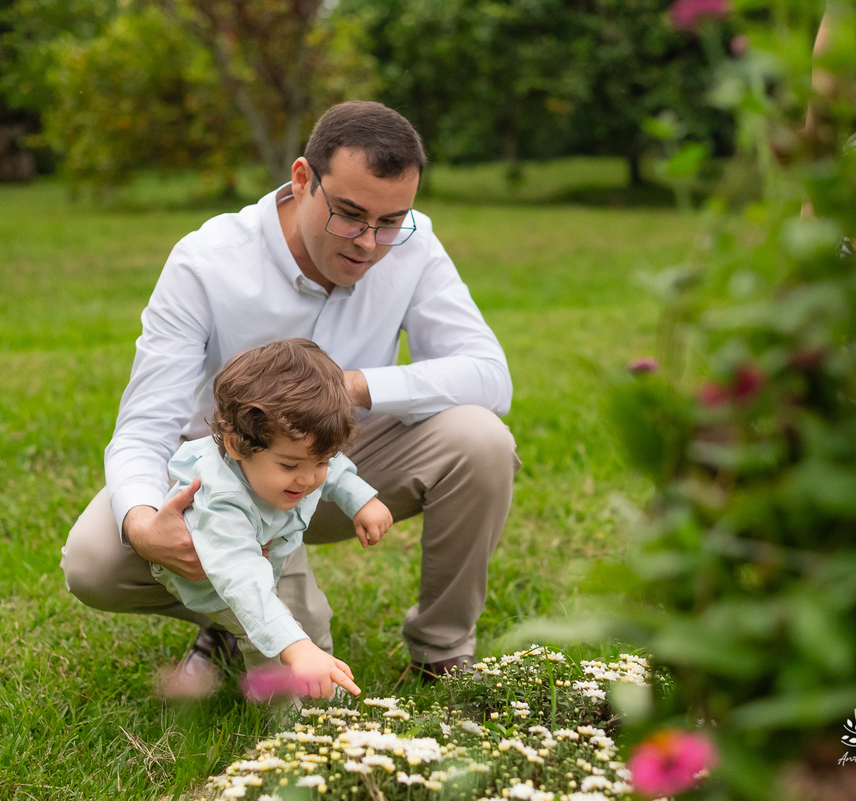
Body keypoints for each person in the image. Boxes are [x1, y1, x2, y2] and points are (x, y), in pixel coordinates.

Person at [61, 100, 519, 686]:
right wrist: (145, 522)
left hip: (339, 462)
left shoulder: (414, 242)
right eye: (350, 215)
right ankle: (235, 615)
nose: (369, 243)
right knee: (94, 561)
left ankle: (442, 650)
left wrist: (350, 387)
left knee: (480, 439)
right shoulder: (207, 261)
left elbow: (488, 374)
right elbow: (146, 426)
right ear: (303, 180)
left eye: (390, 221)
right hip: (224, 479)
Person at [152, 338, 391, 699]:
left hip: (278, 545)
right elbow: (243, 581)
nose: (308, 478)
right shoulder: (220, 500)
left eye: (320, 463)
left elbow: (331, 463)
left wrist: (360, 499)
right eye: (290, 465)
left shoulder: (300, 457)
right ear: (236, 445)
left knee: (310, 619)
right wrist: (293, 647)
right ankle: (292, 728)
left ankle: (325, 691)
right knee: (270, 640)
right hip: (217, 576)